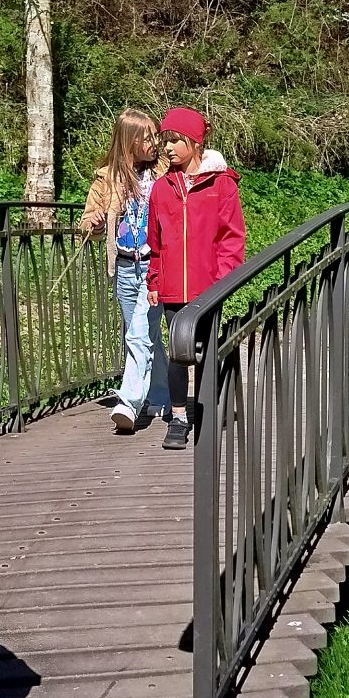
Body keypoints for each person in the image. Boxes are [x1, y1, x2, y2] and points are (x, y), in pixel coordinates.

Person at [146, 106, 246, 450]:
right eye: (165, 141)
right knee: (179, 352)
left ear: (195, 142)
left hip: (209, 286)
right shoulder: (161, 189)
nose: (168, 148)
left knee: (206, 349)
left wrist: (223, 280)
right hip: (172, 288)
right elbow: (155, 242)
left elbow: (232, 238)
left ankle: (206, 410)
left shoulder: (222, 184)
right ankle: (178, 417)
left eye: (175, 141)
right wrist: (154, 281)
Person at [80, 108, 172, 434]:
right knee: (144, 336)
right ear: (129, 141)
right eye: (147, 138)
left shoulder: (164, 172)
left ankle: (129, 403)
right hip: (123, 267)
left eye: (155, 136)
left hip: (153, 266)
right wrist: (93, 223)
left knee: (138, 334)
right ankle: (161, 395)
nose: (154, 143)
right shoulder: (106, 178)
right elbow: (87, 223)